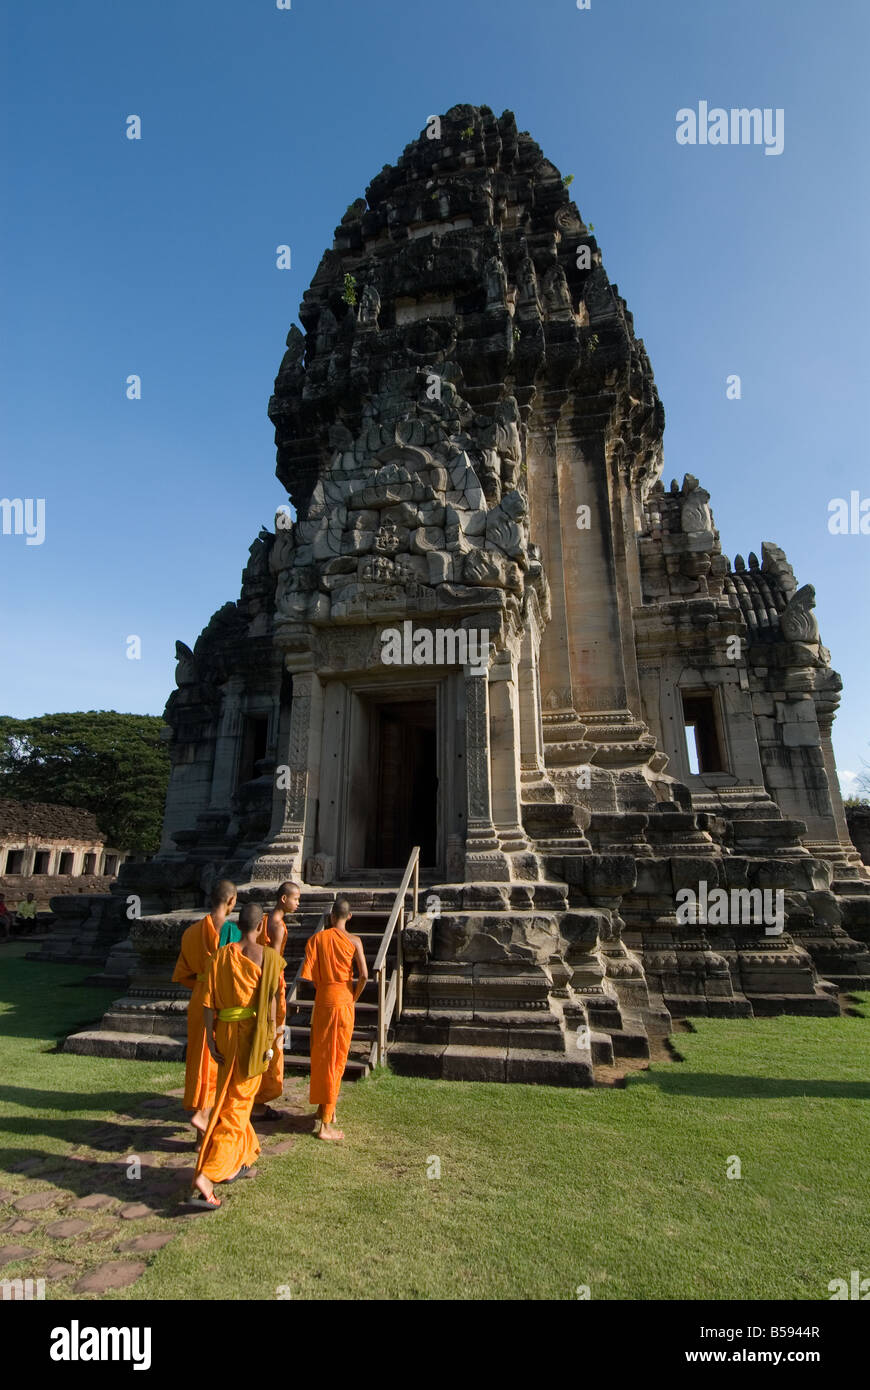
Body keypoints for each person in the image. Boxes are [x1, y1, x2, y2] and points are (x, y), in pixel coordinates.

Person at [187, 902, 284, 1210]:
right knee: (238, 1104)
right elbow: (270, 1002)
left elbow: (206, 1002)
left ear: (239, 925)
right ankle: (209, 1175)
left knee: (232, 1097)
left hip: (225, 1033)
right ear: (260, 928)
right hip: (253, 1038)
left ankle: (241, 1158)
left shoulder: (220, 956)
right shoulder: (268, 958)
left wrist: (212, 1037)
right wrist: (271, 1039)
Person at [171, 880, 237, 1141]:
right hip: (221, 1001)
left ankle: (202, 1133)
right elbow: (238, 972)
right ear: (231, 902)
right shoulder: (232, 932)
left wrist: (202, 982)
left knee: (199, 1059)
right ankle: (205, 1115)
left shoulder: (190, 932)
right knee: (217, 1061)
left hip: (198, 999)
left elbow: (183, 974)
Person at [299, 897, 367, 1142]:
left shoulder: (317, 939)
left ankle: (323, 1107)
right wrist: (354, 997)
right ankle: (325, 1125)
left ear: (330, 917)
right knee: (336, 1059)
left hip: (323, 1000)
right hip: (343, 1001)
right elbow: (365, 976)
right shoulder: (354, 941)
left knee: (320, 1055)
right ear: (349, 917)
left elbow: (309, 975)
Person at [251, 881, 301, 1121]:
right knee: (273, 1042)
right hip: (272, 985)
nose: (298, 903)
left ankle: (253, 1096)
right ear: (283, 899)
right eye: (295, 899)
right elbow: (272, 962)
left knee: (260, 1040)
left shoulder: (262, 921)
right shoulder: (278, 927)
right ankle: (260, 1101)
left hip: (257, 982)